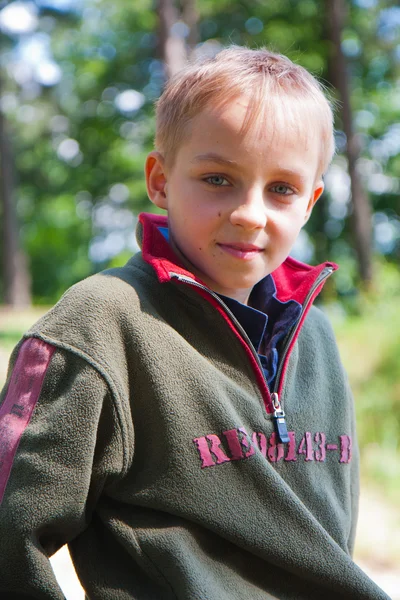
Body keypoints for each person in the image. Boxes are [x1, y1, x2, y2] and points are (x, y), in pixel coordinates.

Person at [0, 46, 390, 600]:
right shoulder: (100, 323)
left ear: (309, 203)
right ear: (160, 181)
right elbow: (10, 531)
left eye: (281, 189)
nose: (250, 213)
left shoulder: (317, 335)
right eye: (217, 179)